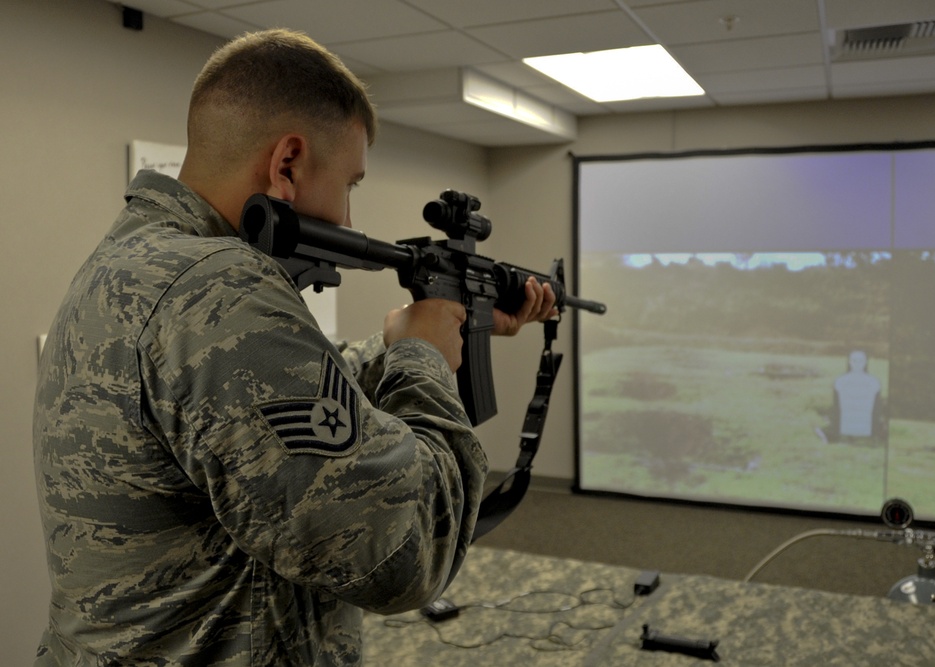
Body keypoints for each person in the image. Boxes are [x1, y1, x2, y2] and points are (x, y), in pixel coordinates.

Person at [33, 29, 555, 666]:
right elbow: (403, 548)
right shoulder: (217, 288)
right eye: (351, 184)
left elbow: (260, 415)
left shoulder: (136, 263)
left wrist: (401, 341)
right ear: (288, 164)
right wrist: (423, 361)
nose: (350, 218)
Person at [815, 349, 887, 443]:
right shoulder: (840, 381)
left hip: (866, 427)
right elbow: (837, 409)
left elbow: (876, 410)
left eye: (861, 361)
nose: (857, 364)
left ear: (866, 362)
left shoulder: (874, 382)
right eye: (854, 361)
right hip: (845, 427)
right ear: (849, 362)